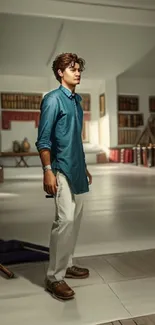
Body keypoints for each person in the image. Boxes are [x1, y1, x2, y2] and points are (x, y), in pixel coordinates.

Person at [35, 53, 92, 301]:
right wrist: (48, 170)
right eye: (72, 69)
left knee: (75, 220)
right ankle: (54, 278)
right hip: (61, 169)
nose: (77, 73)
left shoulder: (77, 101)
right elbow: (44, 140)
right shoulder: (52, 100)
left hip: (78, 168)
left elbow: (75, 139)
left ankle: (67, 263)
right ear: (60, 72)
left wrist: (85, 165)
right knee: (64, 221)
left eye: (79, 69)